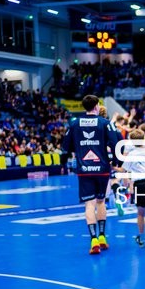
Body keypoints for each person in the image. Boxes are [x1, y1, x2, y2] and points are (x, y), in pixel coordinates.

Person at [61, 95, 120, 255]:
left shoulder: (74, 124)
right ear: (97, 106)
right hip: (102, 169)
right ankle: (102, 237)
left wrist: (65, 161)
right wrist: (116, 161)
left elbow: (65, 146)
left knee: (89, 205)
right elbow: (116, 143)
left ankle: (93, 239)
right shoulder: (105, 123)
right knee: (101, 202)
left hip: (84, 170)